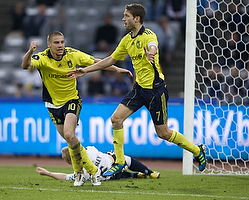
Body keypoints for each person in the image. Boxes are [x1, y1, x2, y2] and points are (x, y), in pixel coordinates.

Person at [67, 3, 207, 177]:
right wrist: (85, 70)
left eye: (126, 16)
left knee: (163, 133)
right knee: (116, 119)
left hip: (156, 91)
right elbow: (110, 59)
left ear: (137, 18)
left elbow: (153, 45)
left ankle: (197, 150)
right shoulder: (127, 40)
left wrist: (152, 52)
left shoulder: (149, 35)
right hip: (139, 89)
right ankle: (119, 161)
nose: (123, 19)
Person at [21, 31, 132, 186]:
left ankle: (92, 172)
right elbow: (25, 65)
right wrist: (30, 51)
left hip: (72, 101)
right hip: (53, 105)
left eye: (62, 42)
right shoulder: (43, 58)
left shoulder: (72, 54)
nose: (60, 45)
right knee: (71, 140)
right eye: (56, 43)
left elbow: (96, 61)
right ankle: (81, 173)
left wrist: (117, 69)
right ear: (49, 45)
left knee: (69, 133)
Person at [36, 146, 160, 182]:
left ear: (70, 162)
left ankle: (134, 175)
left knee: (110, 176)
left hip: (107, 174)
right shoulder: (90, 149)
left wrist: (48, 173)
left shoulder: (81, 174)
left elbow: (65, 176)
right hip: (113, 161)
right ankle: (150, 172)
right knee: (126, 160)